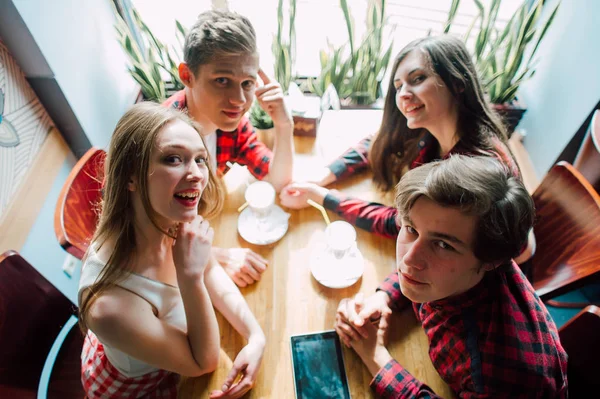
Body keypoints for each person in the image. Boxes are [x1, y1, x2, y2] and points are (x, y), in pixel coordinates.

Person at [279, 35, 534, 264]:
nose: (403, 94)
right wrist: (326, 174)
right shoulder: (434, 122)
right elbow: (379, 141)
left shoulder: (472, 170)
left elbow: (401, 224)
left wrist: (322, 196)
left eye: (418, 79)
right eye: (398, 85)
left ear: (457, 83)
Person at [334, 155, 568, 398]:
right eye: (411, 229)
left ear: (491, 261)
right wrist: (383, 297)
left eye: (443, 245)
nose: (408, 260)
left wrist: (376, 356)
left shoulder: (495, 374)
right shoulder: (466, 266)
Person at [79, 103, 265, 399]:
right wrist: (190, 277)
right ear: (130, 176)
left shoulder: (169, 214)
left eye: (200, 159)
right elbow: (202, 362)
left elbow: (210, 269)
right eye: (173, 159)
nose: (196, 175)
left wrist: (255, 336)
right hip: (136, 388)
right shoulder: (108, 307)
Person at [164, 10, 295, 287]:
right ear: (187, 75)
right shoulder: (160, 144)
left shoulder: (229, 125)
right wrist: (216, 257)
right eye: (222, 80)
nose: (238, 100)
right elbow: (146, 235)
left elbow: (278, 181)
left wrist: (284, 125)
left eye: (247, 83)